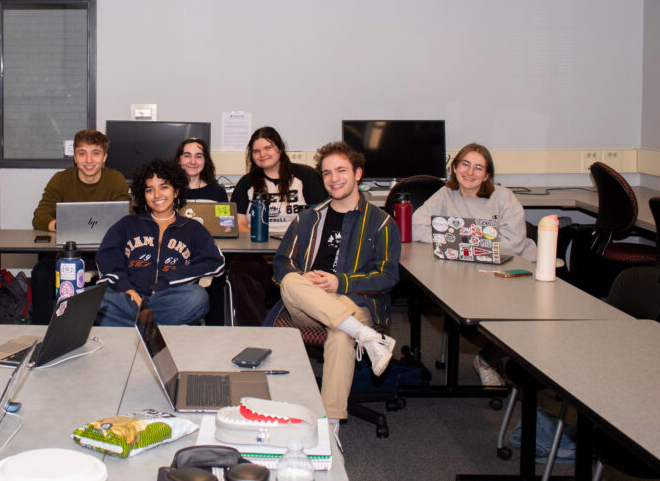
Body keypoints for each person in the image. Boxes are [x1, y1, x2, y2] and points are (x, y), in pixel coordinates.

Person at [265, 141, 400, 435]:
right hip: (308, 304)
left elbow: (388, 277)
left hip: (355, 303)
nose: (334, 178)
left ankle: (330, 426)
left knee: (341, 332)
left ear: (358, 174)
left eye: (341, 171)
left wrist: (341, 282)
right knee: (290, 280)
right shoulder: (307, 219)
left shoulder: (382, 223)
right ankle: (366, 337)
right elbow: (281, 264)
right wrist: (305, 277)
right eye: (327, 173)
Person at [411, 142, 537, 385]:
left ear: (487, 175)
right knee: (467, 311)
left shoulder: (503, 198)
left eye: (478, 168)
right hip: (468, 271)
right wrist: (470, 240)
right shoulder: (446, 195)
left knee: (517, 318)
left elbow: (514, 243)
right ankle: (489, 358)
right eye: (465, 164)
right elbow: (416, 227)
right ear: (455, 168)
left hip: (513, 269)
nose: (470, 172)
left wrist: (457, 238)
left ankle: (489, 358)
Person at [96, 158, 225, 326]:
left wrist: (169, 280)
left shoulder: (193, 228)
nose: (157, 195)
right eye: (150, 190)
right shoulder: (127, 224)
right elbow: (107, 258)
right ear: (143, 194)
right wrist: (125, 287)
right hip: (129, 299)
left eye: (164, 187)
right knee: (93, 298)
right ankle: (149, 326)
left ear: (176, 191)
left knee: (197, 297)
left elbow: (215, 262)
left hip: (167, 300)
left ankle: (138, 324)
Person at [230, 127, 327, 235]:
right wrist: (262, 243)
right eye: (256, 151)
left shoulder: (306, 175)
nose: (262, 154)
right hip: (257, 246)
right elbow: (239, 223)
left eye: (268, 148)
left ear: (280, 148)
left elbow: (321, 217)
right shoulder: (246, 182)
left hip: (297, 246)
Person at [31, 128, 130, 231]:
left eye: (95, 153)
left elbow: (127, 216)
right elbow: (39, 217)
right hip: (69, 242)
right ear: (75, 157)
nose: (89, 160)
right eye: (82, 153)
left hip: (107, 241)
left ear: (104, 157)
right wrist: (63, 226)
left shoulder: (116, 179)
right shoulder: (61, 179)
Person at [174, 137, 228, 202]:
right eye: (187, 156)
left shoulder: (218, 192)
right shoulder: (169, 191)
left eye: (198, 156)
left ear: (205, 161)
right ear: (179, 160)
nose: (193, 162)